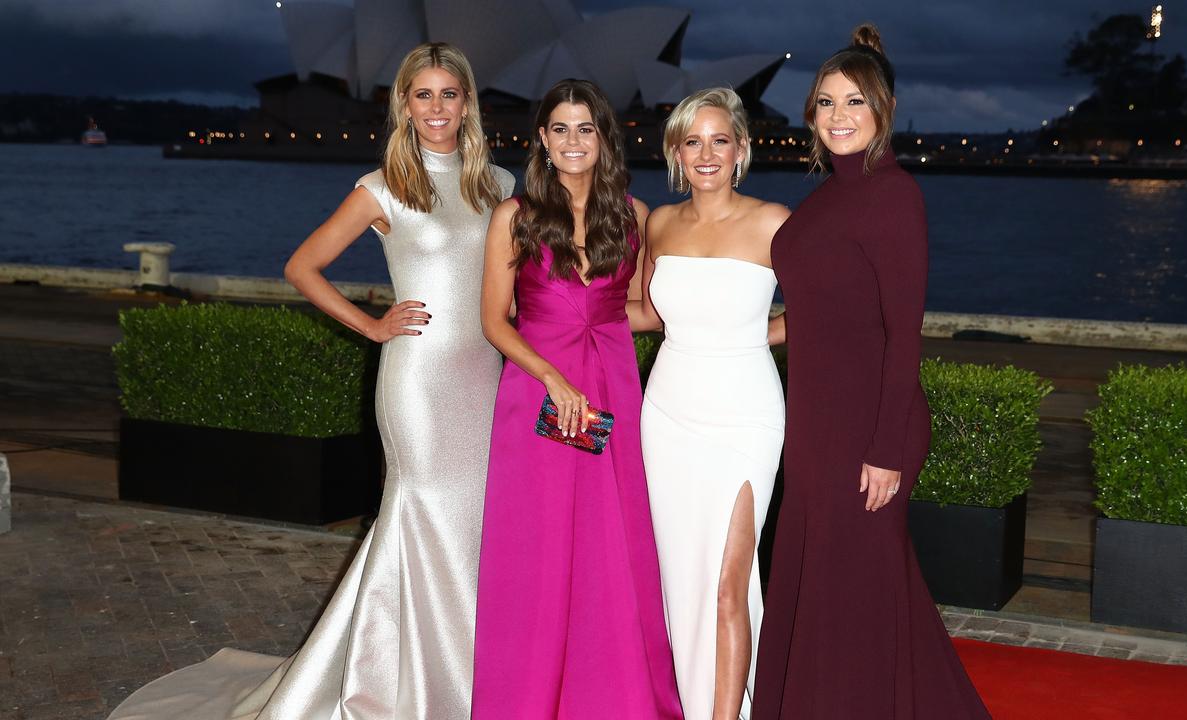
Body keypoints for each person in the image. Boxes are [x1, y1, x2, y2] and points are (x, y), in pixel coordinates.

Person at [108, 43, 514, 720]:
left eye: (449, 94)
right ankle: (400, 684)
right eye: (424, 95)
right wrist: (372, 325)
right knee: (422, 511)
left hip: (485, 376)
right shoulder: (383, 185)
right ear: (404, 105)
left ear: (467, 103)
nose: (437, 108)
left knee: (474, 523)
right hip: (418, 379)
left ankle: (460, 671)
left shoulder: (497, 183)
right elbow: (303, 265)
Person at [752, 25, 991, 719]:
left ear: (882, 109)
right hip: (816, 422)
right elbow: (821, 310)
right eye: (825, 103)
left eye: (854, 102)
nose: (838, 116)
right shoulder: (825, 195)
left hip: (870, 429)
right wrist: (749, 338)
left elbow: (901, 332)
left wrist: (886, 450)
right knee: (830, 579)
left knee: (852, 585)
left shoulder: (893, 194)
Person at [470, 78, 683, 720]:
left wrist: (713, 317)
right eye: (559, 128)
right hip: (536, 392)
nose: (572, 141)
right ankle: (526, 700)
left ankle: (609, 697)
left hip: (612, 384)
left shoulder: (635, 216)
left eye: (584, 129)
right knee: (536, 549)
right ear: (541, 138)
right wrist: (555, 379)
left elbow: (643, 310)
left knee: (610, 542)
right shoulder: (514, 216)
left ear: (603, 139)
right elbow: (494, 320)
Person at [632, 88, 788, 720]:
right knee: (680, 575)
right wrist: (557, 315)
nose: (705, 153)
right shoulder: (659, 223)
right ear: (675, 151)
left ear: (741, 149)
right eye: (691, 140)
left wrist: (753, 337)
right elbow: (645, 313)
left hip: (746, 413)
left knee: (729, 580)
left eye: (719, 139)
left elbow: (819, 312)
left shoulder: (774, 221)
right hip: (668, 412)